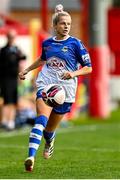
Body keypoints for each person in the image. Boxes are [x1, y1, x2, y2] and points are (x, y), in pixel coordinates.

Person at [19, 4, 92, 172]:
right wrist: (27, 70)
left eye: (68, 24)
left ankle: (50, 140)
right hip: (46, 84)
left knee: (49, 129)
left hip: (66, 91)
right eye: (63, 23)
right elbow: (42, 59)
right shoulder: (47, 43)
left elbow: (88, 67)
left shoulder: (76, 44)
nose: (66, 26)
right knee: (41, 120)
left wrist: (73, 74)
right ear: (55, 26)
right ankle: (30, 156)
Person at [0, 29, 26, 130]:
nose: (12, 39)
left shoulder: (16, 50)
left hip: (14, 78)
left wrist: (21, 75)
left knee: (14, 100)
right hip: (5, 78)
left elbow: (23, 58)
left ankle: (11, 121)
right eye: (10, 37)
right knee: (6, 100)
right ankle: (4, 120)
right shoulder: (3, 50)